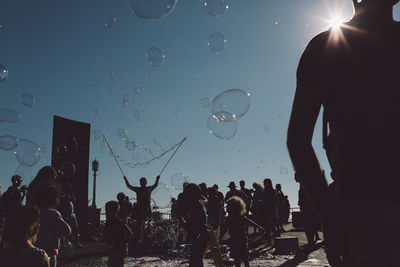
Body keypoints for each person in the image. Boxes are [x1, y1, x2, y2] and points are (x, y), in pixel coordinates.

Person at [287, 0, 400, 265]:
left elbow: (298, 140)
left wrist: (329, 215)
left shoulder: (323, 45)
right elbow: (298, 141)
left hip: (358, 207)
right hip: (361, 212)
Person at [34, 181, 71, 267]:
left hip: (35, 251)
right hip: (50, 251)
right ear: (53, 198)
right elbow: (67, 230)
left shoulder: (34, 213)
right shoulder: (53, 213)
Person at [179, 183, 209, 267]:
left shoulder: (196, 206)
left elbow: (190, 227)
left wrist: (180, 218)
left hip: (199, 236)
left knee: (194, 262)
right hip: (203, 235)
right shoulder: (200, 202)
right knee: (198, 260)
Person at [104, 200, 132, 267]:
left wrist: (123, 243)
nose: (106, 212)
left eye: (107, 210)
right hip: (115, 247)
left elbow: (129, 233)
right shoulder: (111, 221)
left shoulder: (118, 221)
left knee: (115, 263)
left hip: (118, 247)